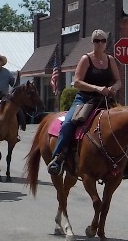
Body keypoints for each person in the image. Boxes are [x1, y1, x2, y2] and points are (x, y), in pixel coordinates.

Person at [47, 29, 121, 175]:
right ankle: (58, 157)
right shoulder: (86, 59)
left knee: (123, 123)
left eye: (103, 41)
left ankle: (127, 162)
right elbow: (77, 82)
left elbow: (118, 81)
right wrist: (97, 88)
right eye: (97, 41)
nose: (100, 44)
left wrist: (114, 88)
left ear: (106, 43)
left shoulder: (110, 60)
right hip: (85, 100)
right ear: (92, 42)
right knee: (68, 123)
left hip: (106, 100)